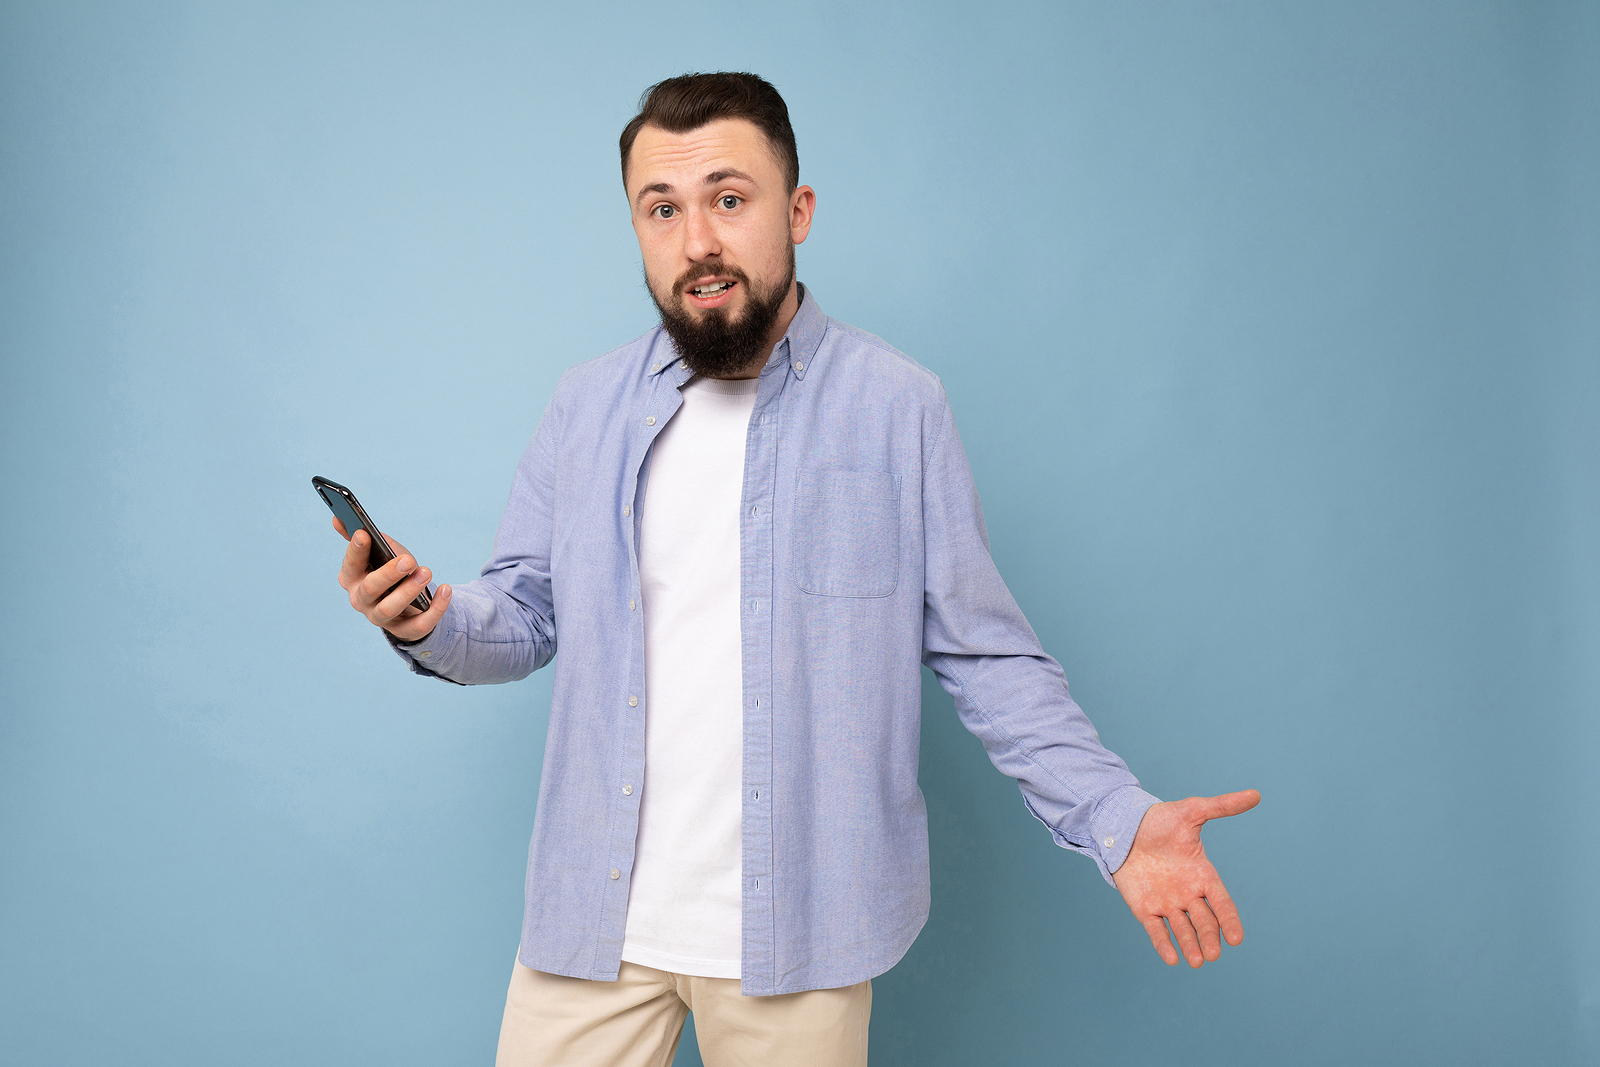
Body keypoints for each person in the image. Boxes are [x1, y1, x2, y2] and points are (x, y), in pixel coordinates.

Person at [329, 72, 1259, 1067]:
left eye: (729, 199)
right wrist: (426, 617)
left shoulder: (899, 406)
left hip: (801, 933)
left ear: (797, 210)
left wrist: (1118, 817)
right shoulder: (583, 405)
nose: (698, 242)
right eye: (663, 209)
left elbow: (986, 659)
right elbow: (522, 613)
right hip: (591, 924)